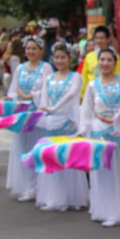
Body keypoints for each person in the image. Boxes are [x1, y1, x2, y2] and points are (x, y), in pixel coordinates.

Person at [80, 48, 120, 227]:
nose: (105, 63)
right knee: (103, 175)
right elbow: (86, 111)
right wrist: (83, 131)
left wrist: (115, 118)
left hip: (119, 132)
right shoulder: (92, 85)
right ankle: (104, 211)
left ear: (115, 62)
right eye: (102, 60)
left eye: (108, 60)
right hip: (99, 133)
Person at [34, 43, 88, 212]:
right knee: (51, 158)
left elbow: (72, 94)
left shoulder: (75, 77)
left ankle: (70, 197)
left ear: (70, 59)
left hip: (67, 120)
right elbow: (43, 96)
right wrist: (44, 109)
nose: (59, 60)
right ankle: (52, 197)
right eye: (57, 57)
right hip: (51, 121)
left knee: (67, 159)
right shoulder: (49, 78)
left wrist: (54, 108)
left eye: (63, 57)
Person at [4, 36, 53, 202]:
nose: (31, 52)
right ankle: (26, 186)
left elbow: (48, 90)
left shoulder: (45, 68)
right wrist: (12, 100)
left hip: (37, 115)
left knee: (36, 149)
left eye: (34, 49)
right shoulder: (20, 68)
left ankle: (40, 186)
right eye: (28, 48)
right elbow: (13, 90)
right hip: (22, 115)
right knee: (23, 149)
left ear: (40, 50)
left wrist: (33, 96)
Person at [78, 26, 120, 98]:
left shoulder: (115, 56)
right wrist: (82, 95)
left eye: (102, 38)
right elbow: (84, 77)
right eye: (97, 38)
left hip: (109, 93)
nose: (99, 40)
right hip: (91, 93)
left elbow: (118, 74)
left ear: (108, 39)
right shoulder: (89, 56)